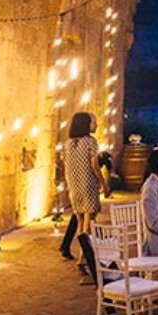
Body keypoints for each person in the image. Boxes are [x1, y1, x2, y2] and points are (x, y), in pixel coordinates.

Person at [61, 112, 108, 261]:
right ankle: (84, 259)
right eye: (93, 122)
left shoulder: (67, 144)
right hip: (88, 185)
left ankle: (83, 257)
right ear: (85, 124)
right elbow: (94, 165)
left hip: (74, 186)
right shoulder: (90, 142)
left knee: (80, 221)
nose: (96, 125)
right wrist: (104, 183)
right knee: (89, 224)